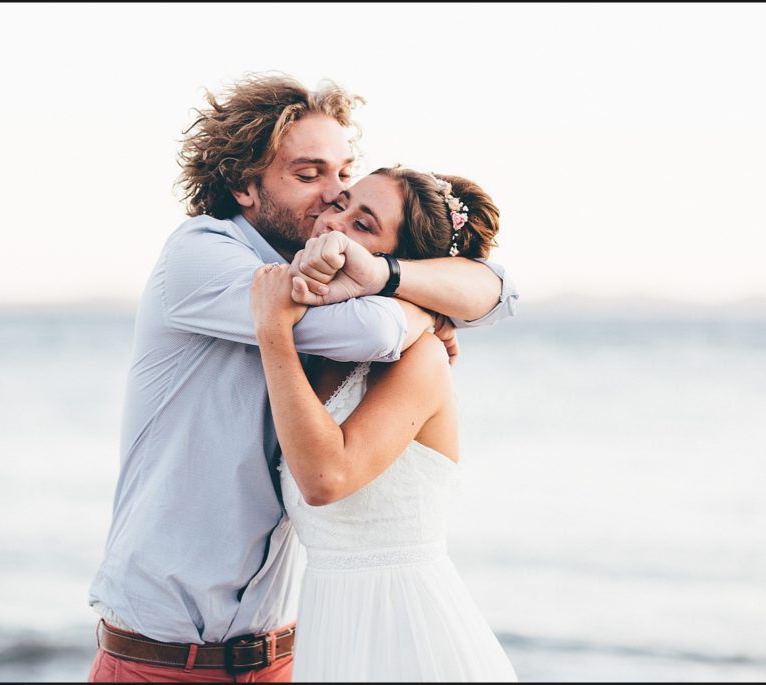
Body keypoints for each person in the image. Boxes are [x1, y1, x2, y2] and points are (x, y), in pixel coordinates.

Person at [87, 74, 518, 682]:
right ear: (243, 184)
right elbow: (371, 330)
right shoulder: (202, 257)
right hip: (163, 658)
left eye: (344, 175)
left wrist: (388, 278)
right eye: (309, 175)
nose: (331, 197)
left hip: (283, 653)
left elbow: (500, 292)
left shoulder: (329, 274)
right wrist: (423, 305)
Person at [251, 166, 519, 681]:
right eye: (341, 203)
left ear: (396, 261)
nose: (333, 223)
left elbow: (326, 478)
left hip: (409, 630)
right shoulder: (326, 343)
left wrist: (272, 332)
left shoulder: (419, 358)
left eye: (363, 224)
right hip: (332, 626)